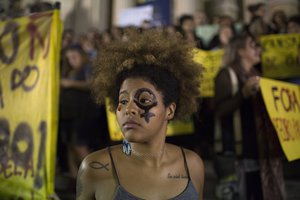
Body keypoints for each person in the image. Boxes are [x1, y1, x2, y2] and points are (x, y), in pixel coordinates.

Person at [76, 29, 204, 199]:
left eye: (143, 100)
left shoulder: (192, 165)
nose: (129, 109)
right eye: (122, 101)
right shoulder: (95, 168)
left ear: (170, 110)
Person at [214, 33, 263, 200]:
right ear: (241, 51)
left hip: (256, 148)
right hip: (236, 151)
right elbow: (219, 111)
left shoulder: (257, 73)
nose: (258, 49)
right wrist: (242, 94)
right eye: (252, 45)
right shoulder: (227, 75)